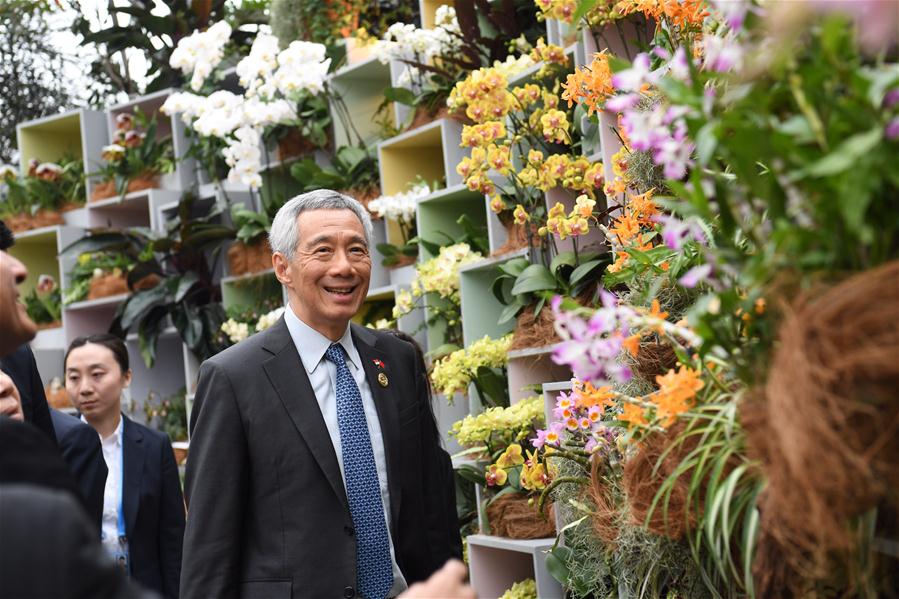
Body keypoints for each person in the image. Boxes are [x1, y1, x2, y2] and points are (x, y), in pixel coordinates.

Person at [182, 190, 462, 599]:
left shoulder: (397, 360)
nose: (344, 267)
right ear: (283, 267)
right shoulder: (233, 378)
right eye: (323, 251)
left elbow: (433, 507)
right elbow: (210, 544)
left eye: (356, 250)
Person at [65, 334, 185, 599]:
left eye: (97, 374)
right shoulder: (56, 445)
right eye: (73, 377)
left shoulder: (155, 446)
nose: (84, 387)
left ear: (126, 377)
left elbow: (172, 537)